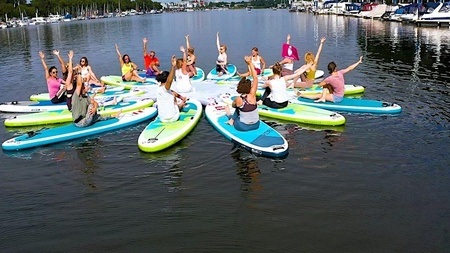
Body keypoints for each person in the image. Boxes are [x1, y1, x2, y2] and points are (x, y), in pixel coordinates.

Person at [71, 62, 120, 128]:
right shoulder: (76, 96)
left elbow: (95, 103)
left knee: (97, 115)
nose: (85, 88)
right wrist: (79, 71)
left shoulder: (86, 96)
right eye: (83, 87)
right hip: (80, 122)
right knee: (91, 106)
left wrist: (95, 108)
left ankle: (113, 115)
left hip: (85, 119)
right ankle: (111, 116)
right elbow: (79, 84)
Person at [298, 56, 364, 103]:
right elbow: (350, 68)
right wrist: (358, 62)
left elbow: (319, 85)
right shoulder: (340, 72)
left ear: (329, 70)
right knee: (326, 86)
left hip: (337, 98)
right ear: (335, 68)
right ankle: (323, 98)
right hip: (340, 95)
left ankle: (302, 95)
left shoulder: (329, 79)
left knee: (318, 94)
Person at [224, 56, 259, 131]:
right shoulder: (252, 95)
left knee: (238, 107)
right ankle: (231, 119)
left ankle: (230, 117)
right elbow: (255, 78)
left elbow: (234, 106)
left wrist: (235, 105)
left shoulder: (238, 99)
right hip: (256, 125)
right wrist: (250, 63)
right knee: (240, 107)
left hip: (243, 126)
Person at [155, 55, 187, 123]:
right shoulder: (165, 88)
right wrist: (173, 66)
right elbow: (169, 80)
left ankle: (181, 102)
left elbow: (172, 91)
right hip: (172, 117)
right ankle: (181, 105)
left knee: (172, 94)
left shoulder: (159, 87)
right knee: (174, 99)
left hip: (162, 118)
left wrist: (181, 97)